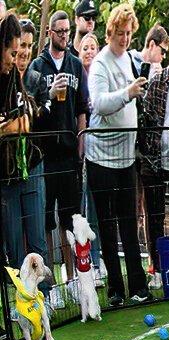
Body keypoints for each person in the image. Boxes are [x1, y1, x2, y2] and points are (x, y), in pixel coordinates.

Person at [85, 3, 149, 306]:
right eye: (120, 33)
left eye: (128, 33)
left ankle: (139, 284)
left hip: (126, 156)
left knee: (129, 221)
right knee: (108, 224)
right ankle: (115, 289)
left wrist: (137, 92)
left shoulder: (127, 59)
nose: (124, 38)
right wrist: (128, 94)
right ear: (110, 31)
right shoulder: (100, 63)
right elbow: (98, 104)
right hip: (101, 157)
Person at [31, 10, 90, 308]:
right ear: (49, 33)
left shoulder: (76, 65)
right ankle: (50, 284)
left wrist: (82, 142)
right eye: (60, 32)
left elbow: (83, 108)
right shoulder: (37, 68)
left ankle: (72, 281)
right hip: (44, 155)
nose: (65, 36)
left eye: (68, 31)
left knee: (71, 221)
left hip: (69, 154)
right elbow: (32, 109)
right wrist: (49, 94)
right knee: (45, 224)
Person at [1, 14, 46, 269]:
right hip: (5, 176)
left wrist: (3, 128)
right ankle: (21, 305)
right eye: (13, 52)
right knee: (15, 245)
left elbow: (26, 123)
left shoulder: (14, 77)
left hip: (28, 162)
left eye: (23, 49)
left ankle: (46, 297)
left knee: (37, 240)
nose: (16, 58)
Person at [130, 26, 169, 296]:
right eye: (163, 51)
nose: (164, 58)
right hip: (130, 150)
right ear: (153, 45)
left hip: (148, 152)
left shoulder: (160, 76)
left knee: (152, 212)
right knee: (136, 212)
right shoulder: (131, 62)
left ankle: (155, 264)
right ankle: (143, 265)